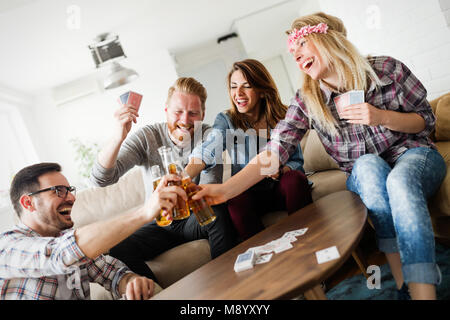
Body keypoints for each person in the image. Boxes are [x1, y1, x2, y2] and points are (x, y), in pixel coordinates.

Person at [192, 12, 447, 300]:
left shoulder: (387, 69)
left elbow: (426, 120)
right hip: (366, 168)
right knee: (368, 167)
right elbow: (274, 152)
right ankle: (404, 287)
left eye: (301, 45)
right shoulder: (307, 100)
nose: (296, 56)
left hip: (413, 154)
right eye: (292, 52)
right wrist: (225, 190)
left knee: (398, 183)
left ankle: (423, 294)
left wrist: (382, 117)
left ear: (326, 38)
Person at [90, 77, 237, 282]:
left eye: (193, 113)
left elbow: (209, 187)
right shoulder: (147, 137)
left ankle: (230, 284)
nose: (185, 120)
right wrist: (117, 137)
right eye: (178, 111)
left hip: (194, 217)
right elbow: (100, 180)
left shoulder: (210, 136)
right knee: (117, 249)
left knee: (219, 215)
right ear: (166, 110)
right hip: (160, 222)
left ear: (202, 114)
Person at [0, 162, 185, 300]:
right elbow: (60, 254)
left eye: (70, 190)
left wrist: (130, 282)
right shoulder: (7, 247)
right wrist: (144, 212)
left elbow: (113, 274)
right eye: (58, 191)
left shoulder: (70, 240)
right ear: (28, 203)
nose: (72, 198)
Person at [185, 59, 312, 241]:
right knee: (236, 200)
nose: (238, 93)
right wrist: (185, 176)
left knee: (295, 180)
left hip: (280, 186)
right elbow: (209, 148)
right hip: (249, 191)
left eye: (246, 86)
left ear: (261, 90)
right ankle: (263, 253)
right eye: (233, 87)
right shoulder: (226, 120)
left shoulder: (283, 115)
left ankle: (308, 238)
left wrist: (281, 170)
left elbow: (296, 161)